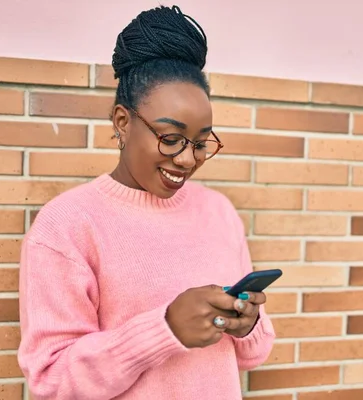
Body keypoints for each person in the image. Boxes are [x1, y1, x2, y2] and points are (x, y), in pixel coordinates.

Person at [17, 4, 276, 400]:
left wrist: (248, 324)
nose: (188, 158)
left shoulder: (219, 212)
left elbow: (253, 355)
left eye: (202, 143)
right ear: (123, 121)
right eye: (170, 138)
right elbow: (51, 381)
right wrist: (165, 329)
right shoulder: (68, 224)